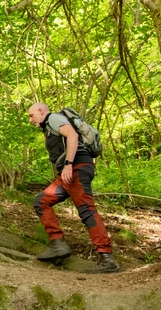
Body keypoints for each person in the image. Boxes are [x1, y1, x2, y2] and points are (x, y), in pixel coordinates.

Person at [27, 102, 118, 273]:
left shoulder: (53, 118)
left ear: (41, 111)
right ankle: (58, 245)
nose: (30, 120)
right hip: (68, 175)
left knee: (86, 210)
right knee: (41, 201)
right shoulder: (48, 126)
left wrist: (68, 164)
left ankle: (107, 258)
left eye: (31, 115)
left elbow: (72, 136)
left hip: (76, 169)